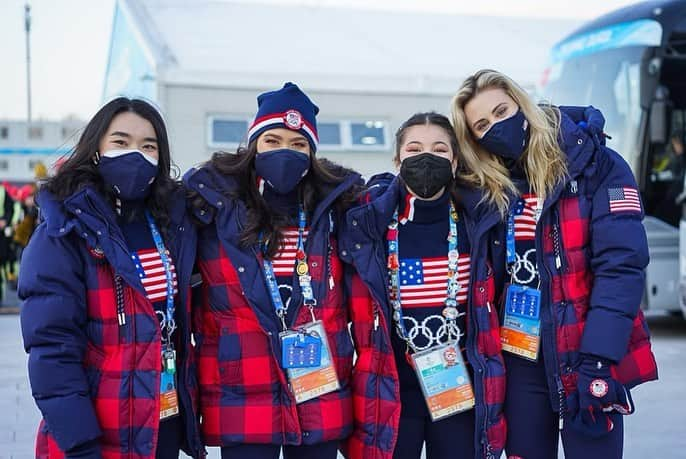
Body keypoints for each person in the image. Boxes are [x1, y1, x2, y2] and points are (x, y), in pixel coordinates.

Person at [450, 69, 658, 459]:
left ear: (522, 104)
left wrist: (598, 358)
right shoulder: (485, 187)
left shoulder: (597, 164)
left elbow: (622, 268)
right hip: (519, 360)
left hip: (589, 351)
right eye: (482, 124)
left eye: (501, 110)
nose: (496, 125)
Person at [184, 82, 363, 459]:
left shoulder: (335, 208)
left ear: (312, 153)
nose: (286, 152)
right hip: (243, 387)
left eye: (299, 144)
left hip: (319, 389)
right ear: (253, 146)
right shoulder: (215, 207)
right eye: (273, 140)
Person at [19, 97, 203, 459]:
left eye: (148, 146)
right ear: (96, 150)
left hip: (160, 421)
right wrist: (80, 441)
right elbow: (52, 350)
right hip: (98, 432)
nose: (135, 154)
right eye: (120, 142)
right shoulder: (64, 232)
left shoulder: (170, 226)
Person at [341, 112, 506, 459]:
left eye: (439, 149)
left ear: (455, 160)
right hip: (392, 386)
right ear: (398, 158)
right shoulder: (369, 222)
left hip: (457, 383)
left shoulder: (480, 221)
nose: (426, 157)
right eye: (414, 148)